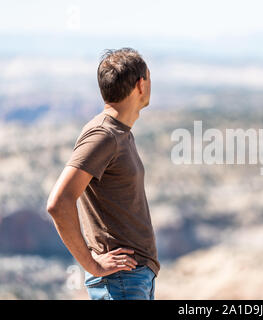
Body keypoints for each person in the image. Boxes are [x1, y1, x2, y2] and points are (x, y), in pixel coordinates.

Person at [47, 48, 159, 300]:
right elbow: (58, 202)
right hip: (121, 283)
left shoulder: (119, 132)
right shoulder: (103, 135)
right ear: (141, 84)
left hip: (132, 279)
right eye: (149, 78)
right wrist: (93, 265)